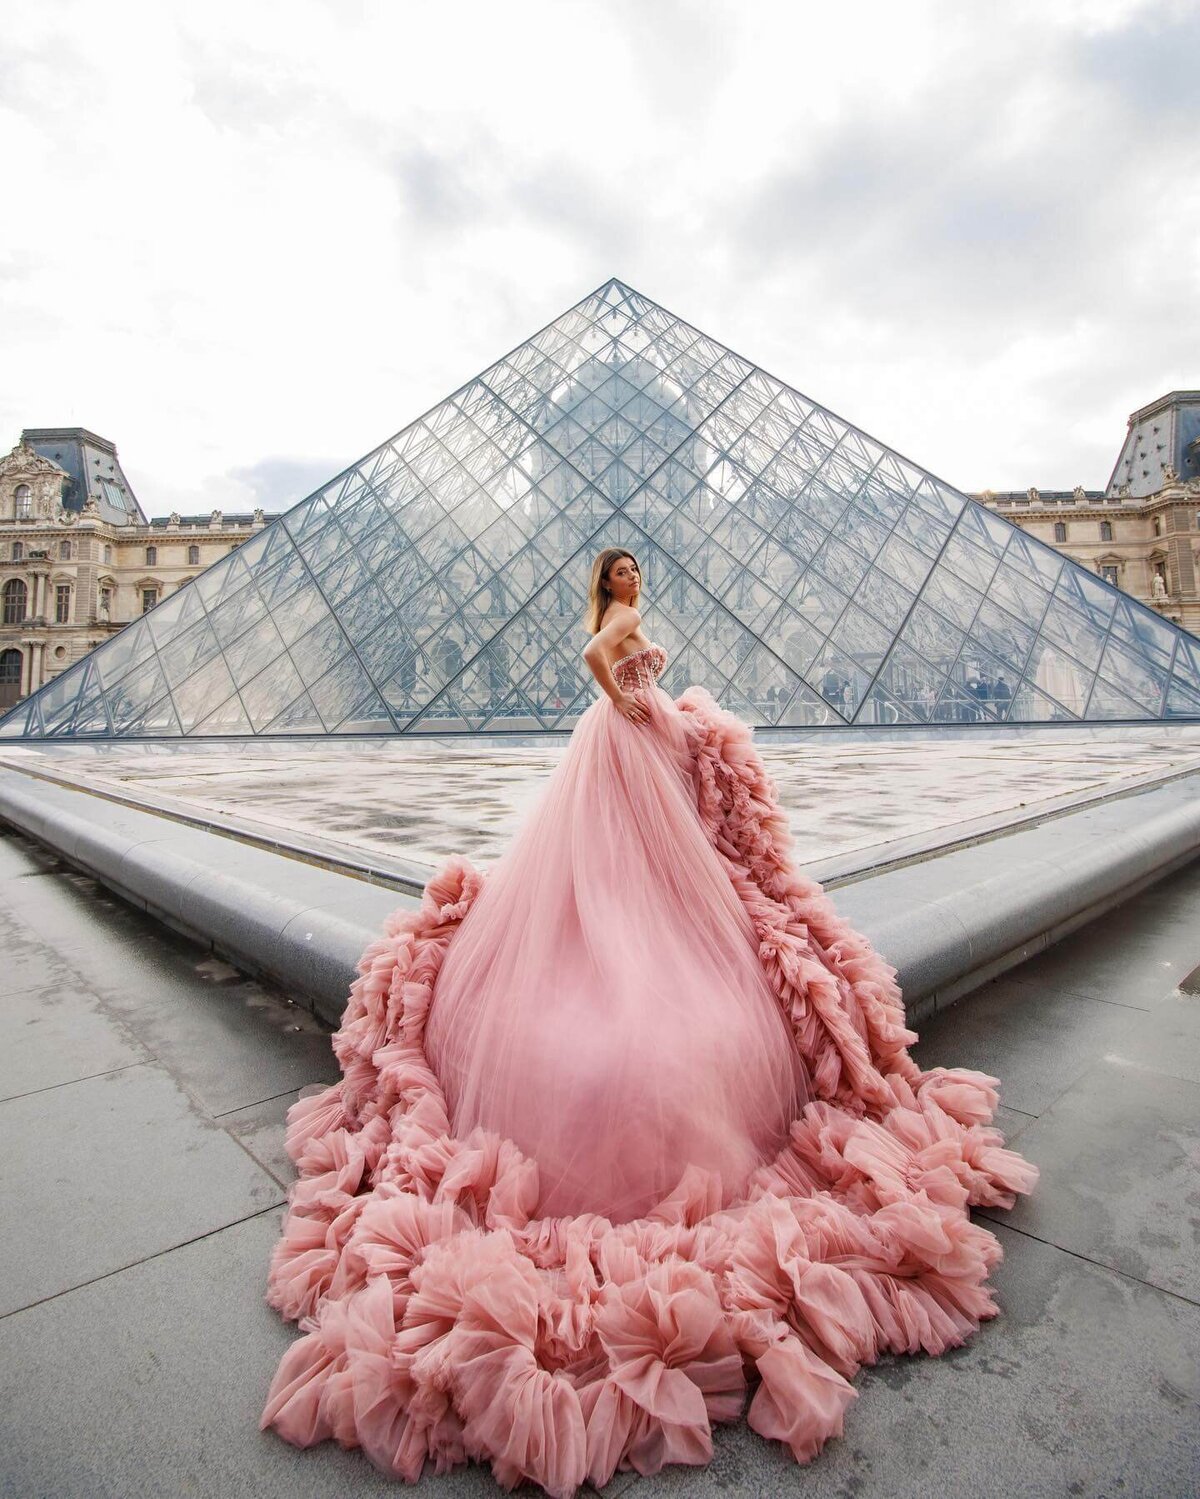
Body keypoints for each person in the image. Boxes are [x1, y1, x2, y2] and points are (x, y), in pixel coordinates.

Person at [261, 548, 1037, 1497]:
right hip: (629, 738)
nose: (631, 581)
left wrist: (640, 695)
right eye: (620, 572)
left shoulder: (629, 620)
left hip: (632, 741)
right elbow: (602, 656)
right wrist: (632, 695)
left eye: (633, 571)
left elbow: (609, 659)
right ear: (609, 584)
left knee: (642, 878)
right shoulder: (617, 629)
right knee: (652, 880)